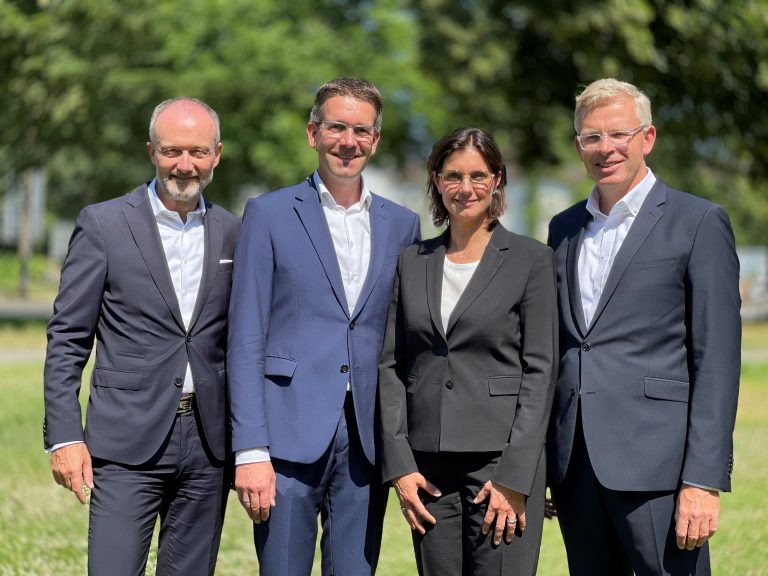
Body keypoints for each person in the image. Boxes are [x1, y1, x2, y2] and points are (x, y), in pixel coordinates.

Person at [546, 78, 741, 575]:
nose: (605, 148)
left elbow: (715, 359)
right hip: (576, 464)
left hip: (660, 467)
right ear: (578, 146)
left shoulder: (698, 221)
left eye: (618, 134)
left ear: (647, 138)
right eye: (592, 137)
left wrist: (703, 480)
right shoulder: (562, 229)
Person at [227, 77, 421, 576]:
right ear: (313, 133)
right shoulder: (267, 214)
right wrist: (250, 449)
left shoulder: (403, 225)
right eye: (336, 127)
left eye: (361, 130)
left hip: (366, 439)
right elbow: (245, 338)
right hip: (286, 437)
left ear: (375, 141)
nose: (348, 141)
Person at [43, 97, 240, 576]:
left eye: (197, 151)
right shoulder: (104, 224)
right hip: (124, 440)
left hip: (209, 444)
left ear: (217, 154)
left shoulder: (236, 231)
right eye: (172, 151)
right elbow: (68, 337)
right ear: (151, 150)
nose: (185, 164)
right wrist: (64, 436)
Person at [378, 127, 558, 575]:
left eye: (478, 175)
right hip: (428, 468)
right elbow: (391, 366)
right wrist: (400, 466)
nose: (466, 188)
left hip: (502, 462)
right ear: (437, 181)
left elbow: (541, 371)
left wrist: (516, 476)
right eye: (453, 176)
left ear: (497, 180)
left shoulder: (531, 260)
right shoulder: (411, 261)